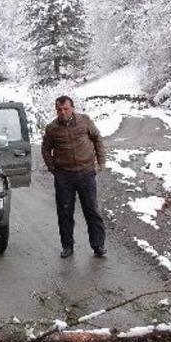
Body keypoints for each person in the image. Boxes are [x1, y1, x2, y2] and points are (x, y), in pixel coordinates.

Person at [41, 95, 107, 258]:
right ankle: (67, 246)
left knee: (91, 210)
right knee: (65, 212)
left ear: (72, 108)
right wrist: (53, 168)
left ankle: (98, 245)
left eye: (65, 109)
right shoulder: (52, 128)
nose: (62, 112)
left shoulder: (84, 121)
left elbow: (97, 139)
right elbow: (45, 150)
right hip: (64, 176)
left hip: (86, 173)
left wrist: (101, 161)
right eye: (59, 109)